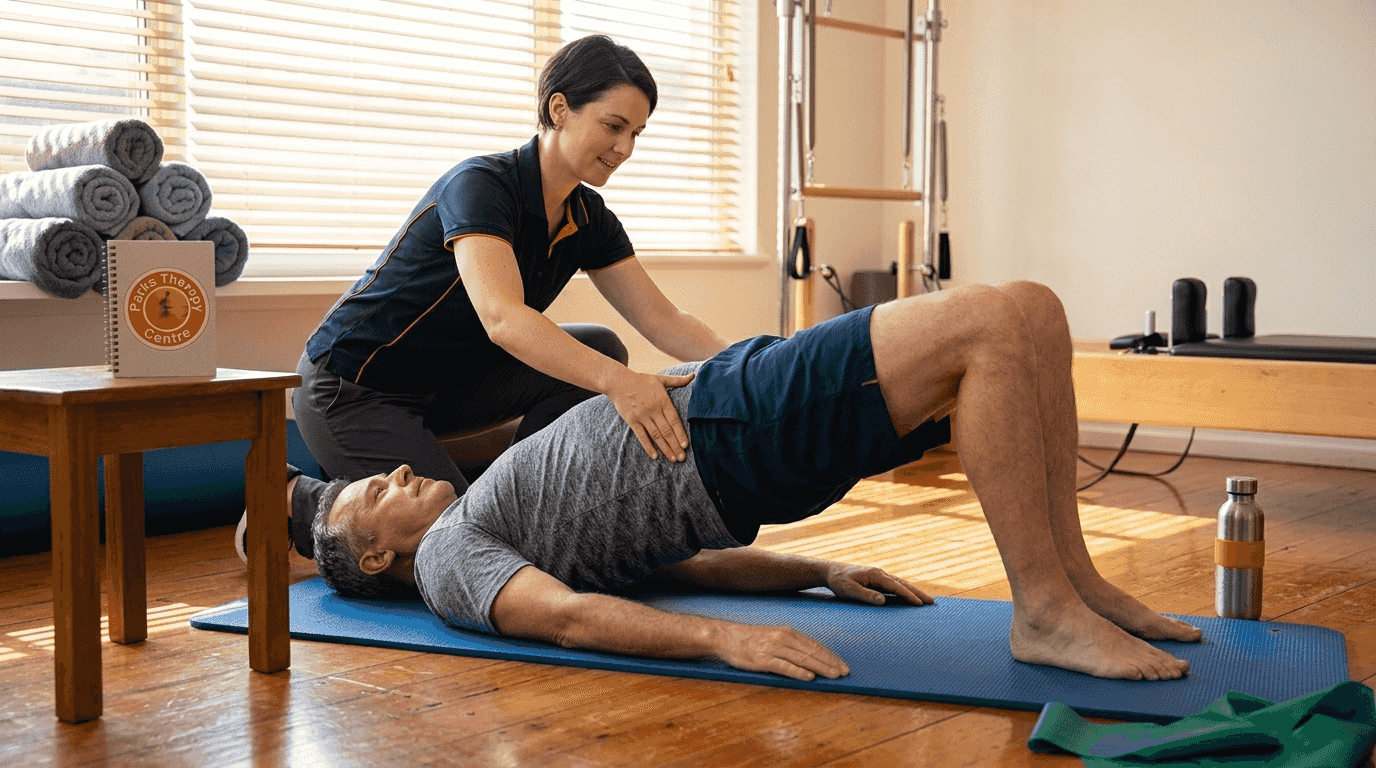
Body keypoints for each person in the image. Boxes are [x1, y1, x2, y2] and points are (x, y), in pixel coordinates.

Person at [309, 281, 1205, 682]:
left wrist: (812, 572)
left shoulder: (481, 524)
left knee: (1032, 311)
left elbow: (668, 569)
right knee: (987, 322)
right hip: (722, 433)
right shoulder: (450, 565)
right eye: (374, 497)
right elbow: (569, 616)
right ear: (383, 560)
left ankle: (1077, 585)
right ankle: (1044, 611)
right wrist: (721, 644)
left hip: (724, 416)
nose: (393, 472)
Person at [235, 35, 731, 561]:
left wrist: (761, 360)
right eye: (613, 126)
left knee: (602, 349)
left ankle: (520, 495)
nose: (626, 148)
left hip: (444, 386)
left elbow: (665, 320)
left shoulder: (590, 218)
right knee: (464, 550)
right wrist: (622, 386)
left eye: (636, 133)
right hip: (352, 388)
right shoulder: (482, 185)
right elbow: (503, 318)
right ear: (559, 109)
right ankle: (298, 495)